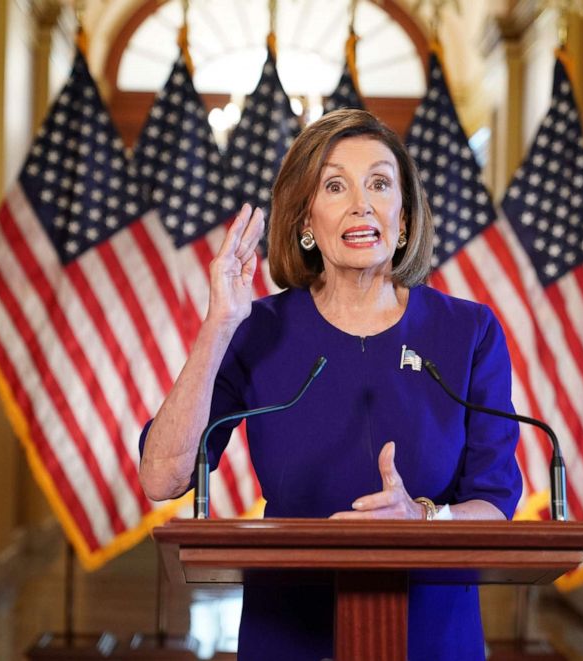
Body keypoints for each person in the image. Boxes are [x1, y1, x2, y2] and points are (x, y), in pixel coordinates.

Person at [138, 109, 522, 660]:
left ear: (404, 218)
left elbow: (494, 501)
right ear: (306, 222)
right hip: (289, 633)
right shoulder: (258, 330)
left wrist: (424, 517)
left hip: (434, 636)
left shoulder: (469, 331)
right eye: (336, 185)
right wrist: (220, 323)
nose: (362, 203)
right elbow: (163, 476)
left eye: (380, 184)